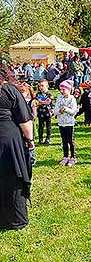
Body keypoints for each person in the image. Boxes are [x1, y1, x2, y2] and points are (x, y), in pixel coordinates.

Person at [0, 63, 34, 230]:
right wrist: (30, 140)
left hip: (6, 136)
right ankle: (15, 219)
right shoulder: (10, 90)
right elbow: (24, 120)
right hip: (8, 139)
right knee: (13, 177)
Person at [55, 79, 78, 167]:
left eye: (63, 89)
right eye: (60, 89)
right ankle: (65, 156)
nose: (61, 91)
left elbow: (73, 111)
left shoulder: (72, 99)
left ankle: (73, 157)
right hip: (61, 122)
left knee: (70, 141)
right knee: (64, 141)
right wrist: (59, 111)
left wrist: (66, 109)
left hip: (69, 123)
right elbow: (56, 110)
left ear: (69, 90)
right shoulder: (59, 98)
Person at [36, 80, 53, 144]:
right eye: (39, 86)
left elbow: (48, 102)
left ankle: (48, 138)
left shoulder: (49, 94)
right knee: (41, 126)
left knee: (48, 126)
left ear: (47, 86)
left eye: (42, 86)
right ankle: (40, 139)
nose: (40, 87)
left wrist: (40, 101)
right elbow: (36, 102)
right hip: (40, 112)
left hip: (48, 112)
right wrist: (40, 102)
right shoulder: (38, 94)